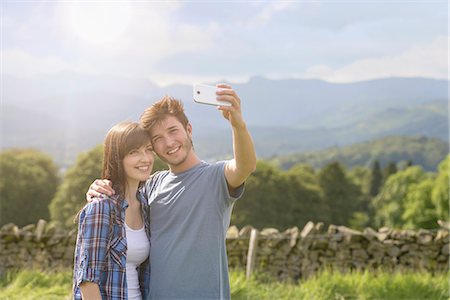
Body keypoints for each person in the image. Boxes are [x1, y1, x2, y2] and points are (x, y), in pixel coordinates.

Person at [87, 84, 257, 299]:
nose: (168, 143)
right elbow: (122, 197)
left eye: (173, 131)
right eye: (157, 139)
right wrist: (98, 187)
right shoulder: (151, 185)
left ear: (189, 130)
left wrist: (238, 125)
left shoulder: (215, 177)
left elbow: (245, 166)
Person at [73, 121, 154, 300]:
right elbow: (88, 282)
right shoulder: (101, 208)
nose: (145, 158)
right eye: (134, 152)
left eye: (148, 149)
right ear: (117, 158)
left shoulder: (146, 206)